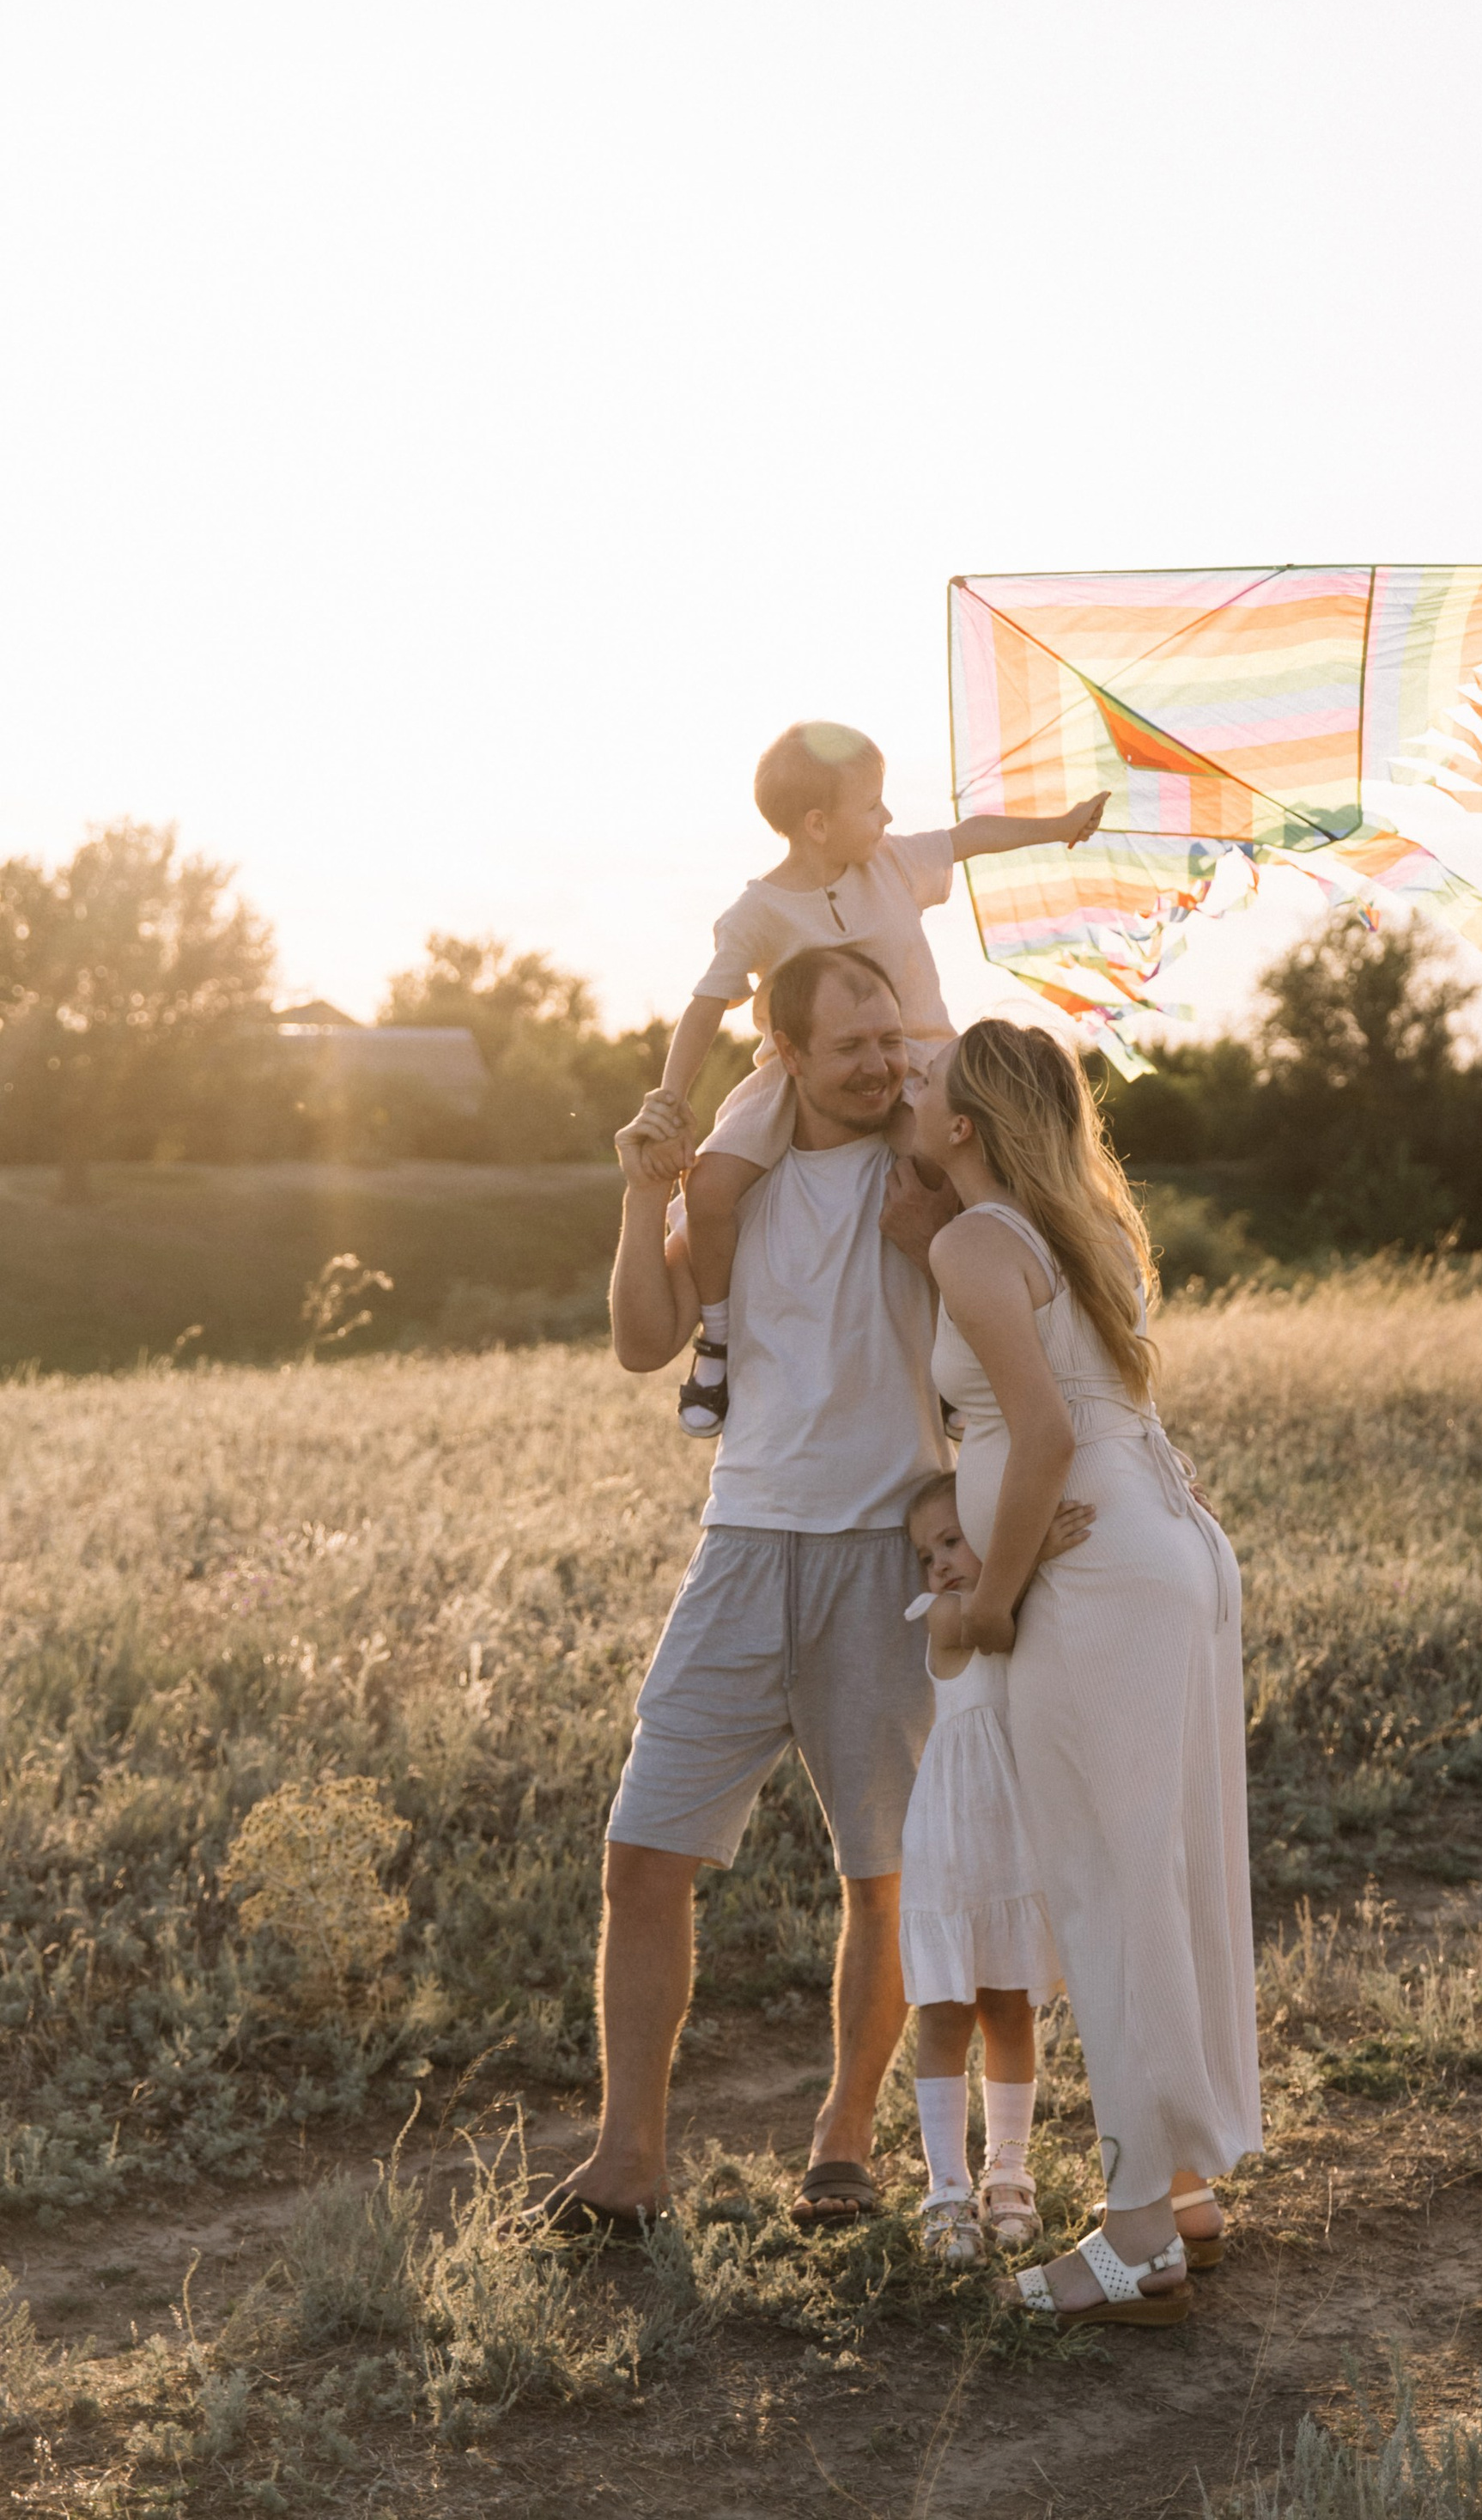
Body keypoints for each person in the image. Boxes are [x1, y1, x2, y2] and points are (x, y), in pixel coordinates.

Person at [533, 944, 958, 2243]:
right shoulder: (737, 1183)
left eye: (889, 1036)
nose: (881, 1061)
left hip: (886, 1552)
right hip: (745, 1548)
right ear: (786, 1056)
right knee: (642, 1853)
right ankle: (627, 2165)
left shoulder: (930, 1170)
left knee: (883, 1872)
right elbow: (642, 1341)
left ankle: (843, 2145)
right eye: (851, 1045)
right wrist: (636, 1200)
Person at [909, 1020, 1260, 2329]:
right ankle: (1179, 2188)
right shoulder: (1077, 1228)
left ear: (965, 1123)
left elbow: (1041, 1430)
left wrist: (992, 1596)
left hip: (1097, 1578)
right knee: (1157, 1872)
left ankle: (1131, 2240)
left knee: (1110, 1889)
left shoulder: (974, 1241)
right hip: (1165, 1548)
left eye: (924, 1081)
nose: (907, 1085)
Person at [645, 719, 1106, 1432]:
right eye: (873, 805)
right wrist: (672, 1097)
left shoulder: (891, 864)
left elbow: (969, 836)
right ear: (818, 823)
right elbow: (707, 1005)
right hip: (798, 1074)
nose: (888, 817)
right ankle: (717, 1339)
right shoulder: (758, 911)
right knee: (708, 1187)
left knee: (943, 1177)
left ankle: (958, 1351)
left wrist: (1061, 825)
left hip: (917, 1059)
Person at [898, 1467, 1084, 2266]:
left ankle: (1008, 2171)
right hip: (950, 1846)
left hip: (1016, 1842)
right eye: (925, 1552)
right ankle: (945, 2186)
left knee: (1011, 2009)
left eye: (952, 1539)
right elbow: (985, 1620)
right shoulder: (946, 1615)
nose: (937, 1562)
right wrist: (1034, 1548)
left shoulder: (1025, 1602)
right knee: (943, 2010)